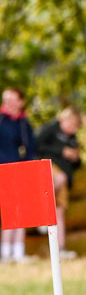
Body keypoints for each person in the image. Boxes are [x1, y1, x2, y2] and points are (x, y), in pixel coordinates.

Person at [36, 107, 82, 258]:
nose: (73, 128)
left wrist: (76, 158)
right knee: (59, 177)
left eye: (75, 126)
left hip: (64, 178)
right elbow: (38, 146)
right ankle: (40, 212)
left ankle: (59, 249)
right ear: (64, 119)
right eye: (71, 124)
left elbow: (77, 163)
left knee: (59, 211)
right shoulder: (50, 129)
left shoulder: (73, 138)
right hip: (49, 168)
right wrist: (62, 151)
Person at [0, 87, 37, 263]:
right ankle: (6, 252)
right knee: (9, 211)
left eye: (13, 100)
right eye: (7, 100)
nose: (9, 104)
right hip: (3, 170)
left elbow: (30, 149)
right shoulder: (1, 121)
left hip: (21, 171)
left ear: (21, 102)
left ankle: (18, 252)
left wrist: (29, 170)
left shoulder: (24, 124)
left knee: (21, 210)